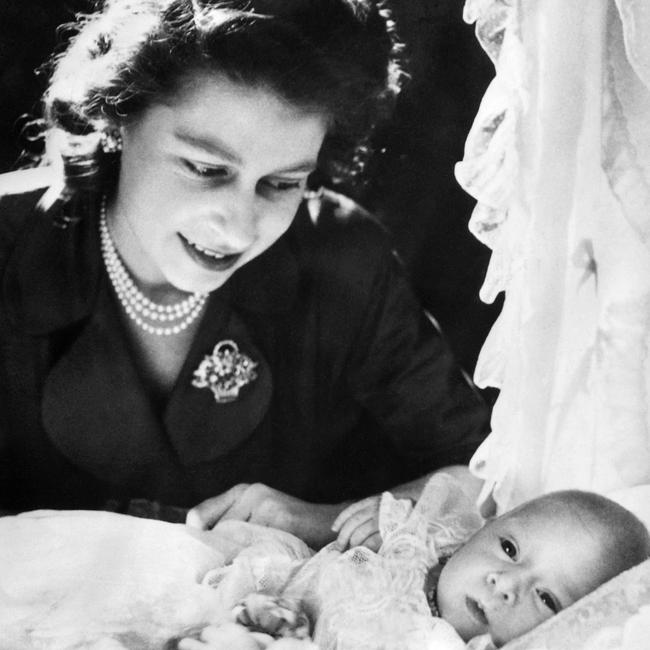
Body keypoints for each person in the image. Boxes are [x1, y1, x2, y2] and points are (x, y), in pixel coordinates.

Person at [0, 0, 489, 549]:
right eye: (206, 169)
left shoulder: (345, 258)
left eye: (281, 184)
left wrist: (325, 520)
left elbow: (487, 475)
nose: (238, 226)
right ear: (120, 116)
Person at [177, 483, 650, 650]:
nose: (505, 584)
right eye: (508, 548)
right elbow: (320, 568)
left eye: (546, 599)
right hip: (289, 606)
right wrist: (375, 528)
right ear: (482, 529)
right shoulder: (417, 546)